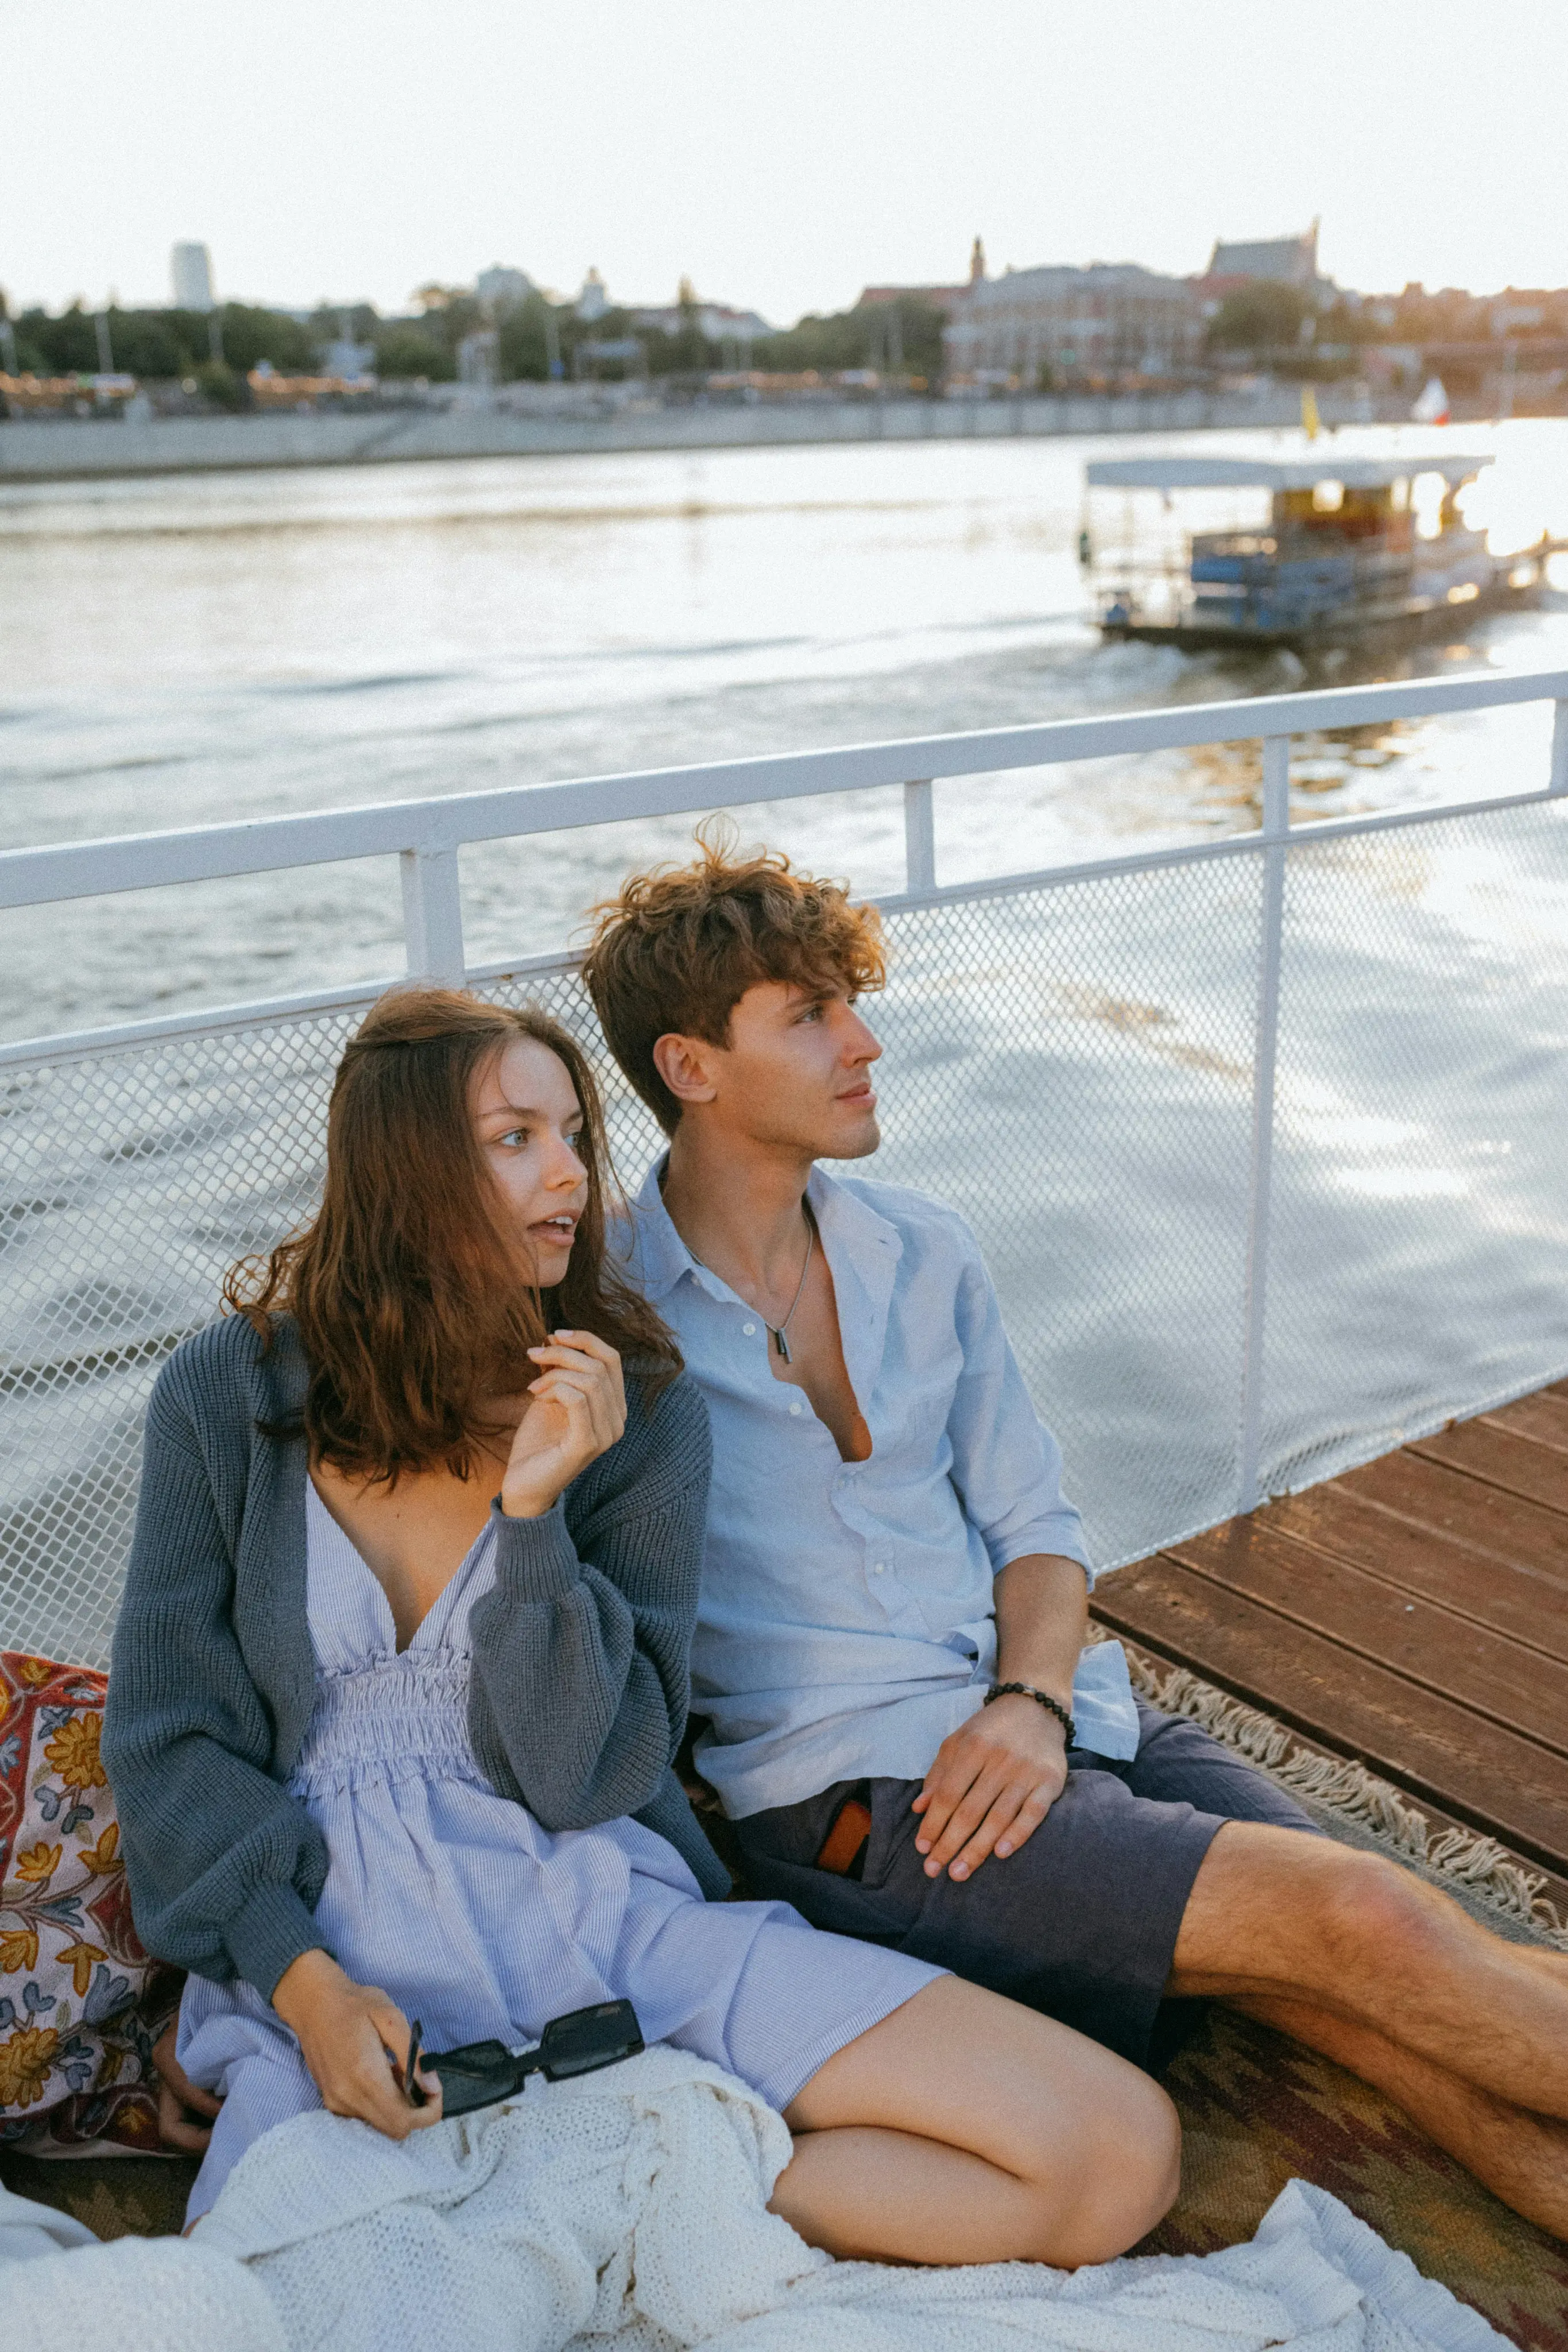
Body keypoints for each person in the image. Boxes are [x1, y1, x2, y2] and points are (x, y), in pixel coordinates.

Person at [583, 839, 1568, 2240]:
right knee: (1371, 1924)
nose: (864, 1041)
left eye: (848, 1001)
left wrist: (1035, 1701)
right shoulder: (608, 1321)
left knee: (1369, 1978)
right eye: (807, 1014)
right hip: (869, 1803)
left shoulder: (923, 1248)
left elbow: (1039, 1533)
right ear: (690, 1065)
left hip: (1057, 1716)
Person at [103, 988, 1178, 2264]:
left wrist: (537, 1514)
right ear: (403, 1167)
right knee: (329, 2283)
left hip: (603, 1904)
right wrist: (300, 1981)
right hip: (335, 1950)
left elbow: (588, 1773)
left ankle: (618, 2196)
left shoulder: (639, 1402)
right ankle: (561, 2224)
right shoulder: (229, 1389)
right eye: (515, 1138)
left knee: (1115, 2148)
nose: (570, 1173)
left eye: (573, 1134)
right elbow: (170, 1741)